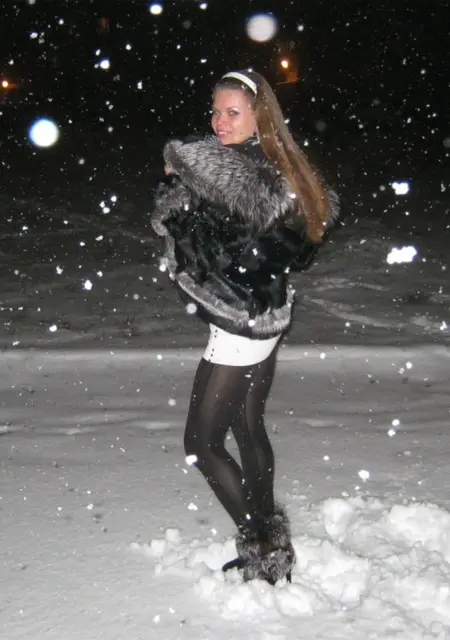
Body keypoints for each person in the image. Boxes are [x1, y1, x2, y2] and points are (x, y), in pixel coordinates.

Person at [151, 69, 338, 585]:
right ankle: (272, 542)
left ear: (260, 117)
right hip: (264, 314)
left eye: (233, 112)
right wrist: (187, 187)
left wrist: (181, 199)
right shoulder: (275, 168)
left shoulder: (247, 179)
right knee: (248, 427)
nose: (219, 121)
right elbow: (289, 251)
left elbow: (229, 257)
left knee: (201, 444)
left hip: (240, 324)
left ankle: (262, 546)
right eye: (216, 110)